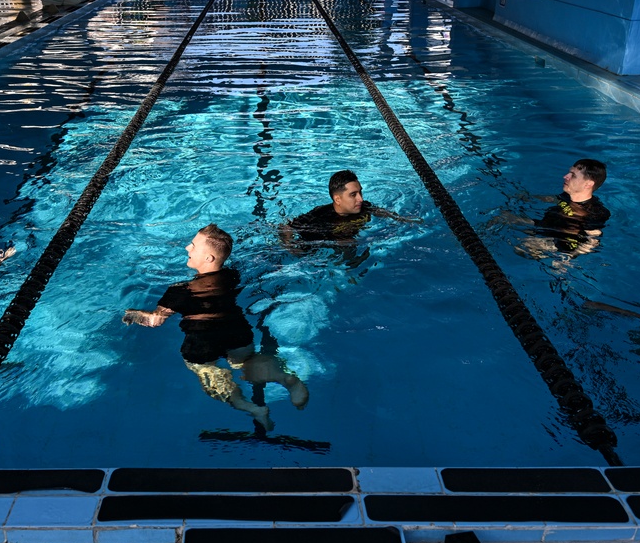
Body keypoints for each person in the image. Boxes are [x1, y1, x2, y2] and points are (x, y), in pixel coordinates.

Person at [123, 224, 308, 430]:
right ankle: (286, 378)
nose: (187, 248)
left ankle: (250, 407)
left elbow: (154, 321)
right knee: (246, 360)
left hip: (202, 342)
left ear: (208, 258)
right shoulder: (232, 276)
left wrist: (132, 314)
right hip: (237, 332)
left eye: (193, 246)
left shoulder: (179, 292)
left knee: (207, 371)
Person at [280, 170, 419, 248]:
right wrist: (291, 248)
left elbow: (379, 211)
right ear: (337, 199)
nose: (361, 199)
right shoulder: (318, 217)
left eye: (360, 192)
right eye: (353, 195)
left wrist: (402, 219)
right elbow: (285, 227)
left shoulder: (363, 206)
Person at [503, 159, 610, 259]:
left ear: (588, 184)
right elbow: (553, 199)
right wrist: (527, 197)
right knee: (504, 216)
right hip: (544, 227)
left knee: (522, 247)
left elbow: (594, 241)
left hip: (559, 242)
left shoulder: (595, 212)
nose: (565, 176)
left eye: (573, 175)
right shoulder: (567, 196)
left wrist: (570, 256)